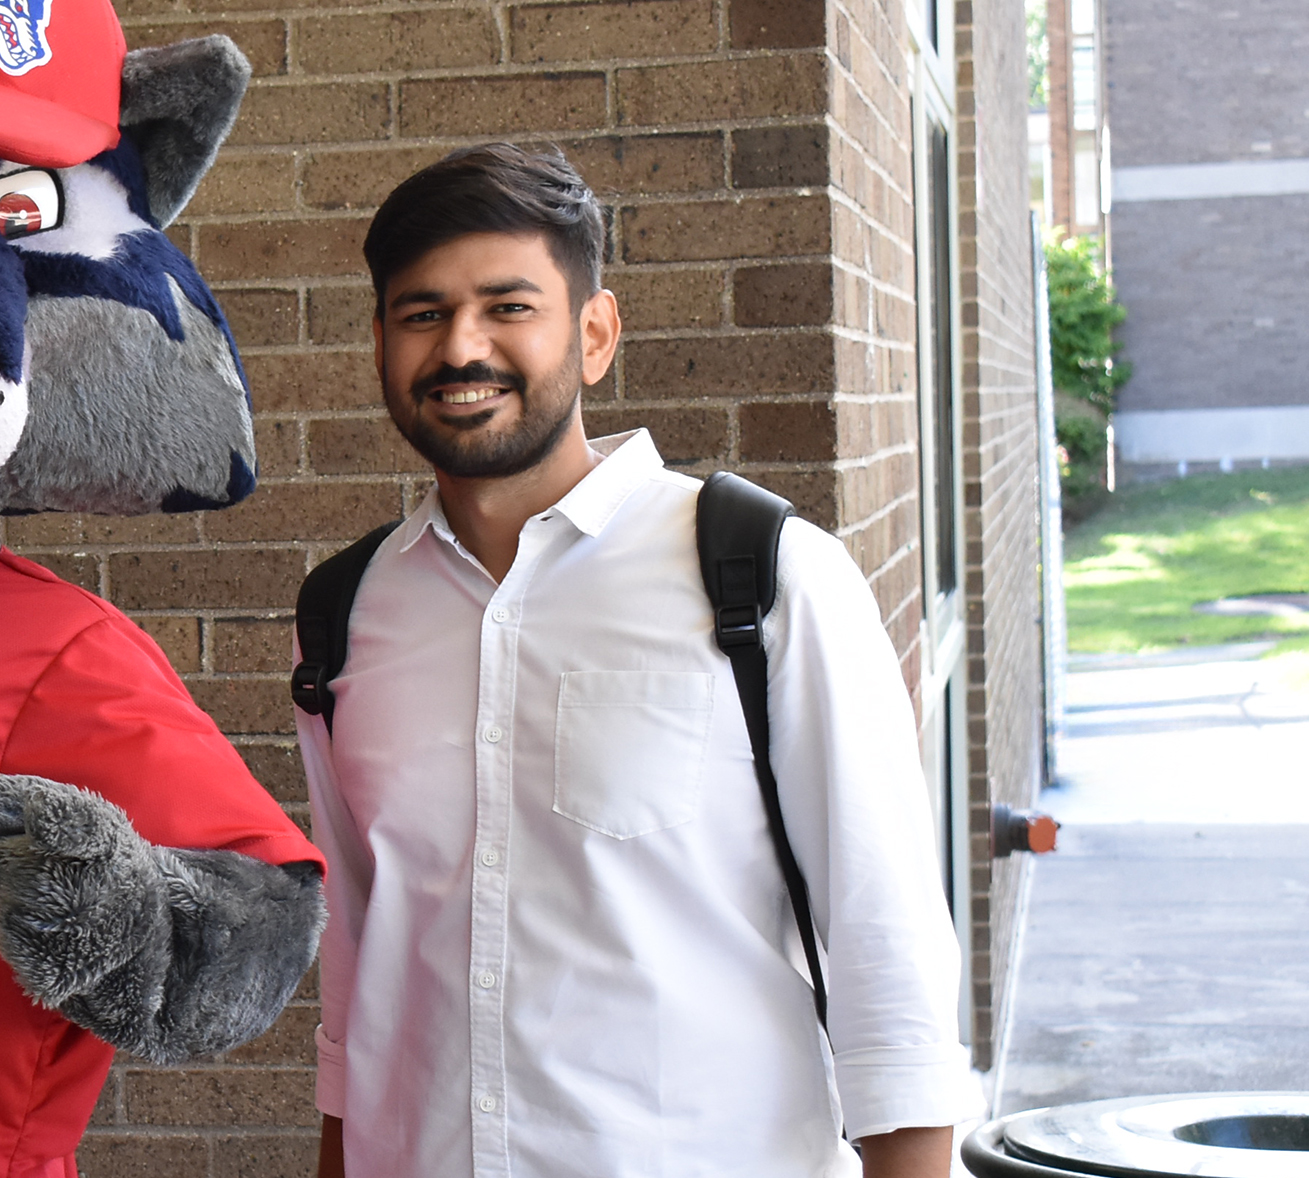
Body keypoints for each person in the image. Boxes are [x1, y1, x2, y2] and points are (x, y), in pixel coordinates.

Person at [299, 144, 982, 1178]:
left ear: (595, 333)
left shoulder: (763, 576)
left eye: (508, 306)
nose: (462, 346)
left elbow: (889, 956)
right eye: (422, 313)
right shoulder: (345, 614)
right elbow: (358, 969)